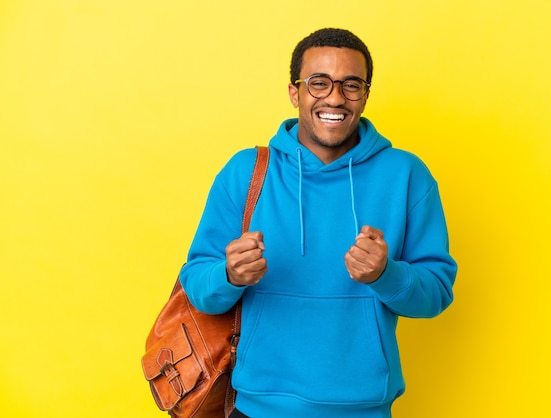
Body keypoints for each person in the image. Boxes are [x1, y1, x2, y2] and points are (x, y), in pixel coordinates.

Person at [180, 28, 458, 418]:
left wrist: (386, 274)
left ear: (365, 94)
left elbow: (435, 295)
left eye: (351, 85)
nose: (335, 98)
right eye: (319, 83)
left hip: (363, 407)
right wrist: (230, 275)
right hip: (257, 407)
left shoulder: (406, 175)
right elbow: (198, 287)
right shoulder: (245, 172)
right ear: (295, 93)